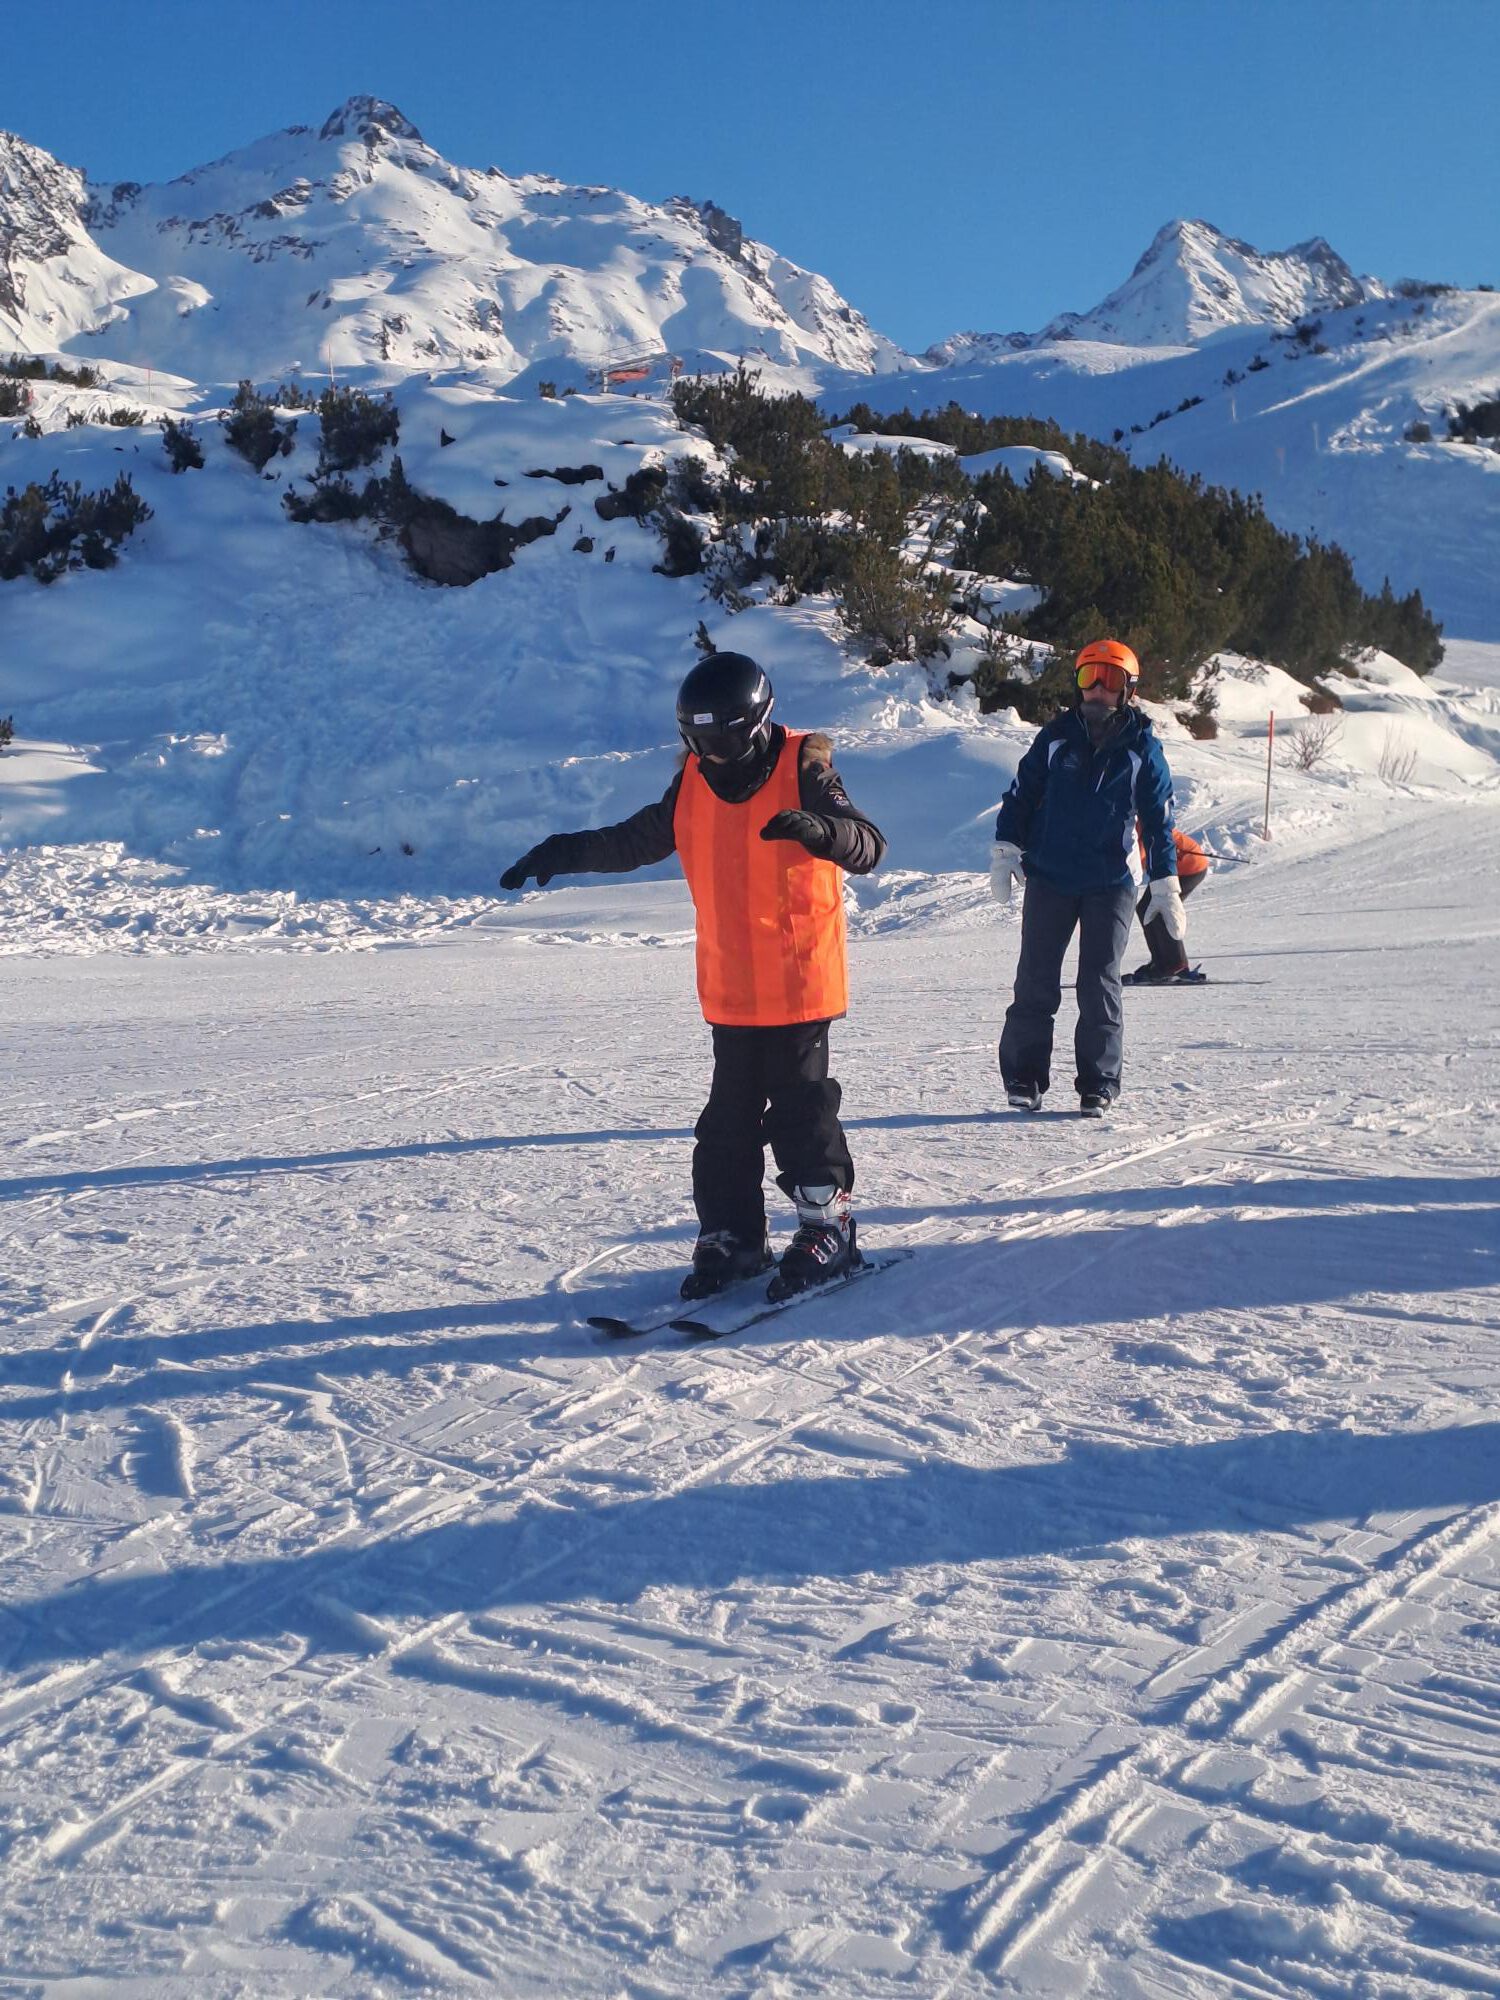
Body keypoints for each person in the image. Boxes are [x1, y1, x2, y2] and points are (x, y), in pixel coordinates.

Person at [499, 652, 886, 1299]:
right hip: (731, 987)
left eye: (724, 742)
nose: (713, 757)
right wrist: (564, 850)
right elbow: (635, 840)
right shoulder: (693, 782)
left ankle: (829, 1227)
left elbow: (867, 843)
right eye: (699, 744)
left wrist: (822, 830)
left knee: (801, 1111)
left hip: (797, 981)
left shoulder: (805, 768)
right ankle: (735, 1236)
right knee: (726, 1124)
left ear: (756, 726)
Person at [991, 638, 1182, 1118]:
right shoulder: (1056, 737)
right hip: (1050, 876)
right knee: (1035, 979)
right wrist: (1005, 847)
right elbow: (1021, 793)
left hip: (1110, 882)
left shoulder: (1142, 748)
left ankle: (1098, 1083)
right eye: (1087, 676)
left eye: (1109, 679)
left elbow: (1158, 820)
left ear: (1128, 689)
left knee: (1099, 983)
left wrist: (1165, 881)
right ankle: (1024, 1077)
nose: (1097, 688)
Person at [1124, 826, 1208, 982]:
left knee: (1162, 910)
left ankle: (1177, 965)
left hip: (1189, 867)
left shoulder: (1137, 824)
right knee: (1145, 909)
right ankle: (1160, 962)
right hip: (1171, 870)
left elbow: (1135, 857)